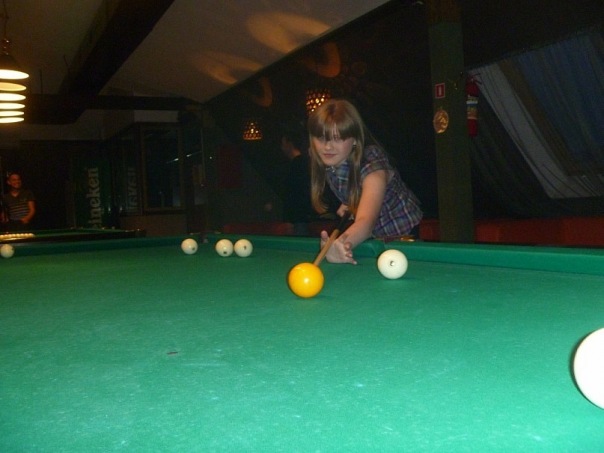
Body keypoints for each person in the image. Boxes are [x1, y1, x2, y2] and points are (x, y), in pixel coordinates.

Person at [307, 99, 422, 264]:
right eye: (320, 137)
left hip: (403, 235)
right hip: (375, 237)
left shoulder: (372, 165)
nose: (327, 147)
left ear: (355, 139)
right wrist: (352, 203)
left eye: (337, 138)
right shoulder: (331, 162)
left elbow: (366, 222)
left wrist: (341, 243)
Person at [280, 124, 314, 235]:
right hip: (302, 218)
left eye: (283, 144)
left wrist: (290, 219)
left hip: (299, 220)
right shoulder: (303, 163)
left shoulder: (297, 165)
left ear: (289, 144)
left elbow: (295, 195)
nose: (282, 147)